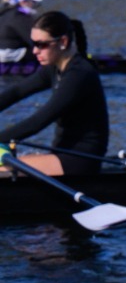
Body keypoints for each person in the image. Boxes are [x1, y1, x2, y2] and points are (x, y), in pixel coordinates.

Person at [0, 11, 106, 177]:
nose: (34, 51)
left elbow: (38, 121)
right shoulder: (54, 68)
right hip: (60, 153)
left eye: (41, 44)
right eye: (33, 43)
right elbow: (16, 92)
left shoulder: (79, 74)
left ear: (63, 42)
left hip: (80, 160)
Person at [2, 0, 46, 66]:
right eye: (33, 1)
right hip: (11, 61)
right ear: (23, 1)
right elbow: (34, 40)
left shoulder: (4, 14)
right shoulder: (20, 17)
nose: (35, 5)